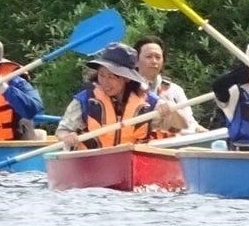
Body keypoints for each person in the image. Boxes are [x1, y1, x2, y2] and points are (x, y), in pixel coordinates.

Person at [57, 42, 189, 149]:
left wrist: (172, 109)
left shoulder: (148, 102)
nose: (105, 82)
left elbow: (182, 126)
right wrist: (67, 136)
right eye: (101, 75)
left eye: (111, 77)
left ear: (126, 78)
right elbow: (62, 130)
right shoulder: (85, 99)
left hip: (132, 164)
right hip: (92, 164)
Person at [135, 35, 198, 132]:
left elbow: (190, 124)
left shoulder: (175, 90)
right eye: (149, 57)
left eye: (158, 57)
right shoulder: (126, 88)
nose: (154, 61)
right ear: (136, 61)